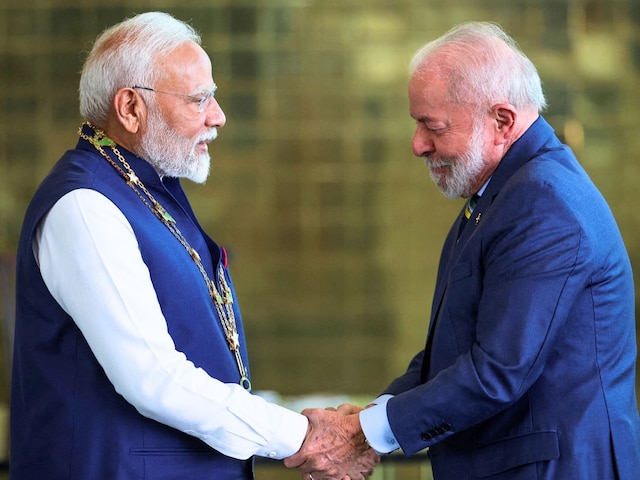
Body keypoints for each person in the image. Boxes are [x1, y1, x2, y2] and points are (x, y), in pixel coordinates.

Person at [10, 12, 377, 480]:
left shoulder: (146, 189)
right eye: (198, 99)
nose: (217, 116)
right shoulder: (84, 205)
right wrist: (301, 435)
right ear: (130, 108)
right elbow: (153, 378)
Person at [285, 21, 640, 479]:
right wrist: (374, 416)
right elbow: (455, 349)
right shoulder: (506, 193)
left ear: (502, 122)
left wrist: (363, 434)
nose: (417, 145)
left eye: (432, 126)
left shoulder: (543, 204)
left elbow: (497, 371)